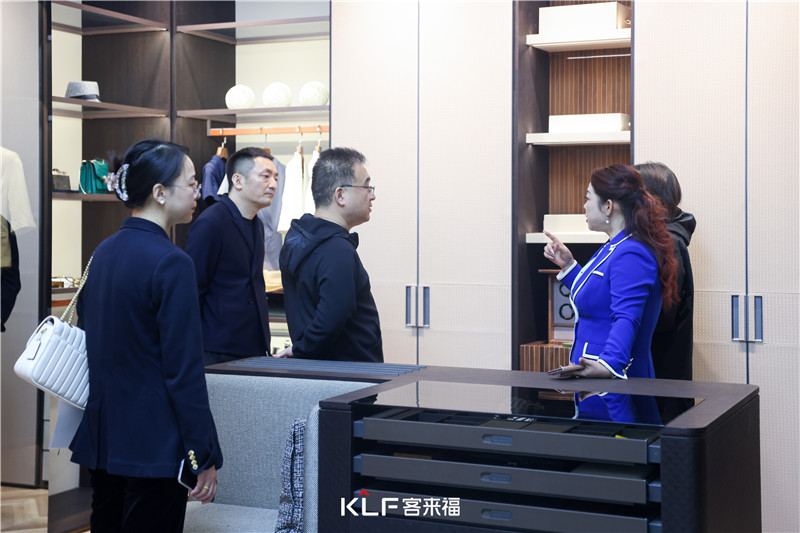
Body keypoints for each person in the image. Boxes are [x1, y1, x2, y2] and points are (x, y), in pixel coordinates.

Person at [69, 139, 223, 531]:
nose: (198, 192)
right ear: (160, 192)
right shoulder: (172, 262)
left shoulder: (102, 252)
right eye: (191, 182)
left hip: (105, 436)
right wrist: (202, 454)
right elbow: (183, 370)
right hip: (155, 442)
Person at [543, 164, 678, 422]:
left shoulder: (631, 252)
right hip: (596, 383)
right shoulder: (614, 246)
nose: (584, 206)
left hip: (613, 387)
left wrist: (608, 365)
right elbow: (599, 300)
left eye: (588, 198)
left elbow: (627, 317)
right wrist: (569, 267)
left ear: (608, 206)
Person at [275, 147, 383, 362]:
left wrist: (302, 349)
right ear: (340, 195)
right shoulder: (337, 249)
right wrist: (302, 348)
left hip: (318, 368)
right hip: (348, 373)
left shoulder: (298, 239)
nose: (372, 195)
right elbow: (333, 315)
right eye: (366, 187)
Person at [185, 147, 278, 366]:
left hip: (252, 346)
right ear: (238, 181)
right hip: (217, 349)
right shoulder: (211, 222)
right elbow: (192, 291)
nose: (273, 184)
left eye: (275, 177)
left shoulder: (256, 223)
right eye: (265, 176)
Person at [635, 161, 696, 420]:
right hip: (656, 378)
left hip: (660, 379)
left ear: (651, 198)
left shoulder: (667, 243)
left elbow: (662, 317)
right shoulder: (659, 240)